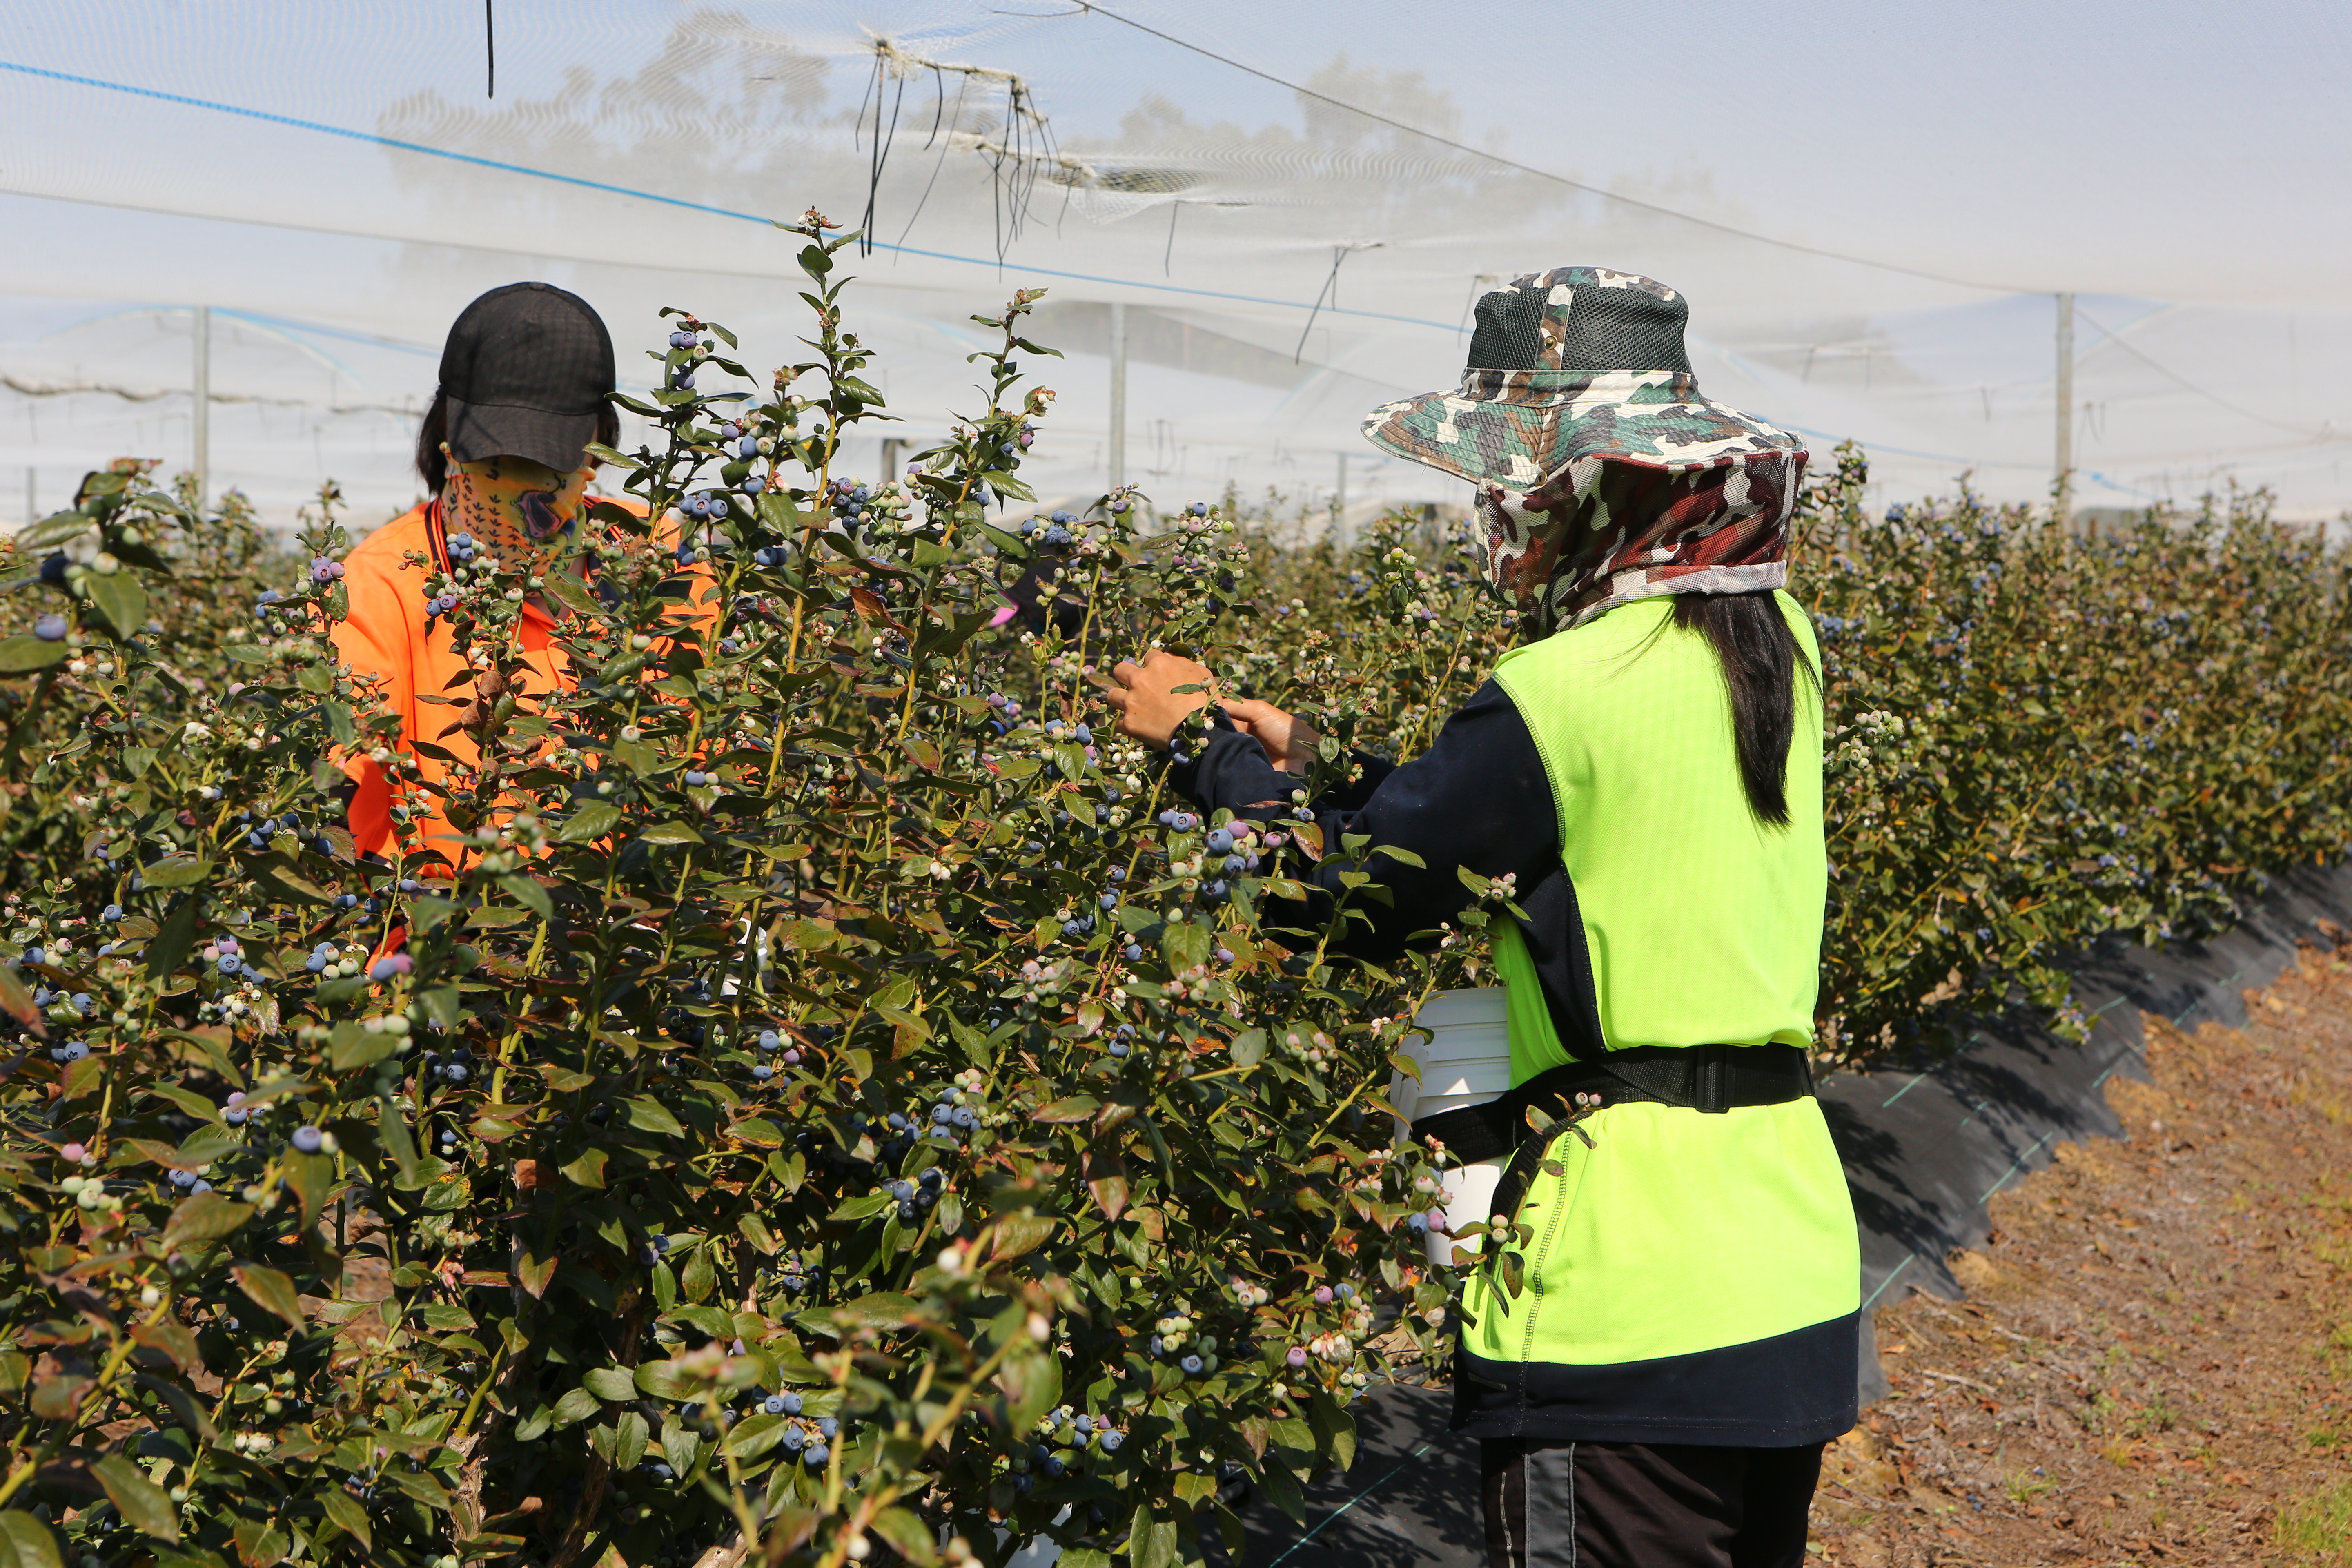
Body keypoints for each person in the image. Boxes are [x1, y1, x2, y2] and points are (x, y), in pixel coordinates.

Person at [1106, 269, 1858, 1568]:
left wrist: (1200, 751)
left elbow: (1336, 905)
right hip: (1785, 1262)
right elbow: (1565, 833)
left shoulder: (1565, 685)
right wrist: (1335, 770)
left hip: (1626, 1288)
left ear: (1575, 490)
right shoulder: (1774, 644)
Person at [333, 282, 700, 869]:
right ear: (447, 441)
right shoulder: (383, 586)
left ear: (600, 448)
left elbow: (714, 737)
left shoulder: (659, 556)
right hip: (448, 935)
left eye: (547, 462)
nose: (522, 486)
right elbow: (337, 768)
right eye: (496, 463)